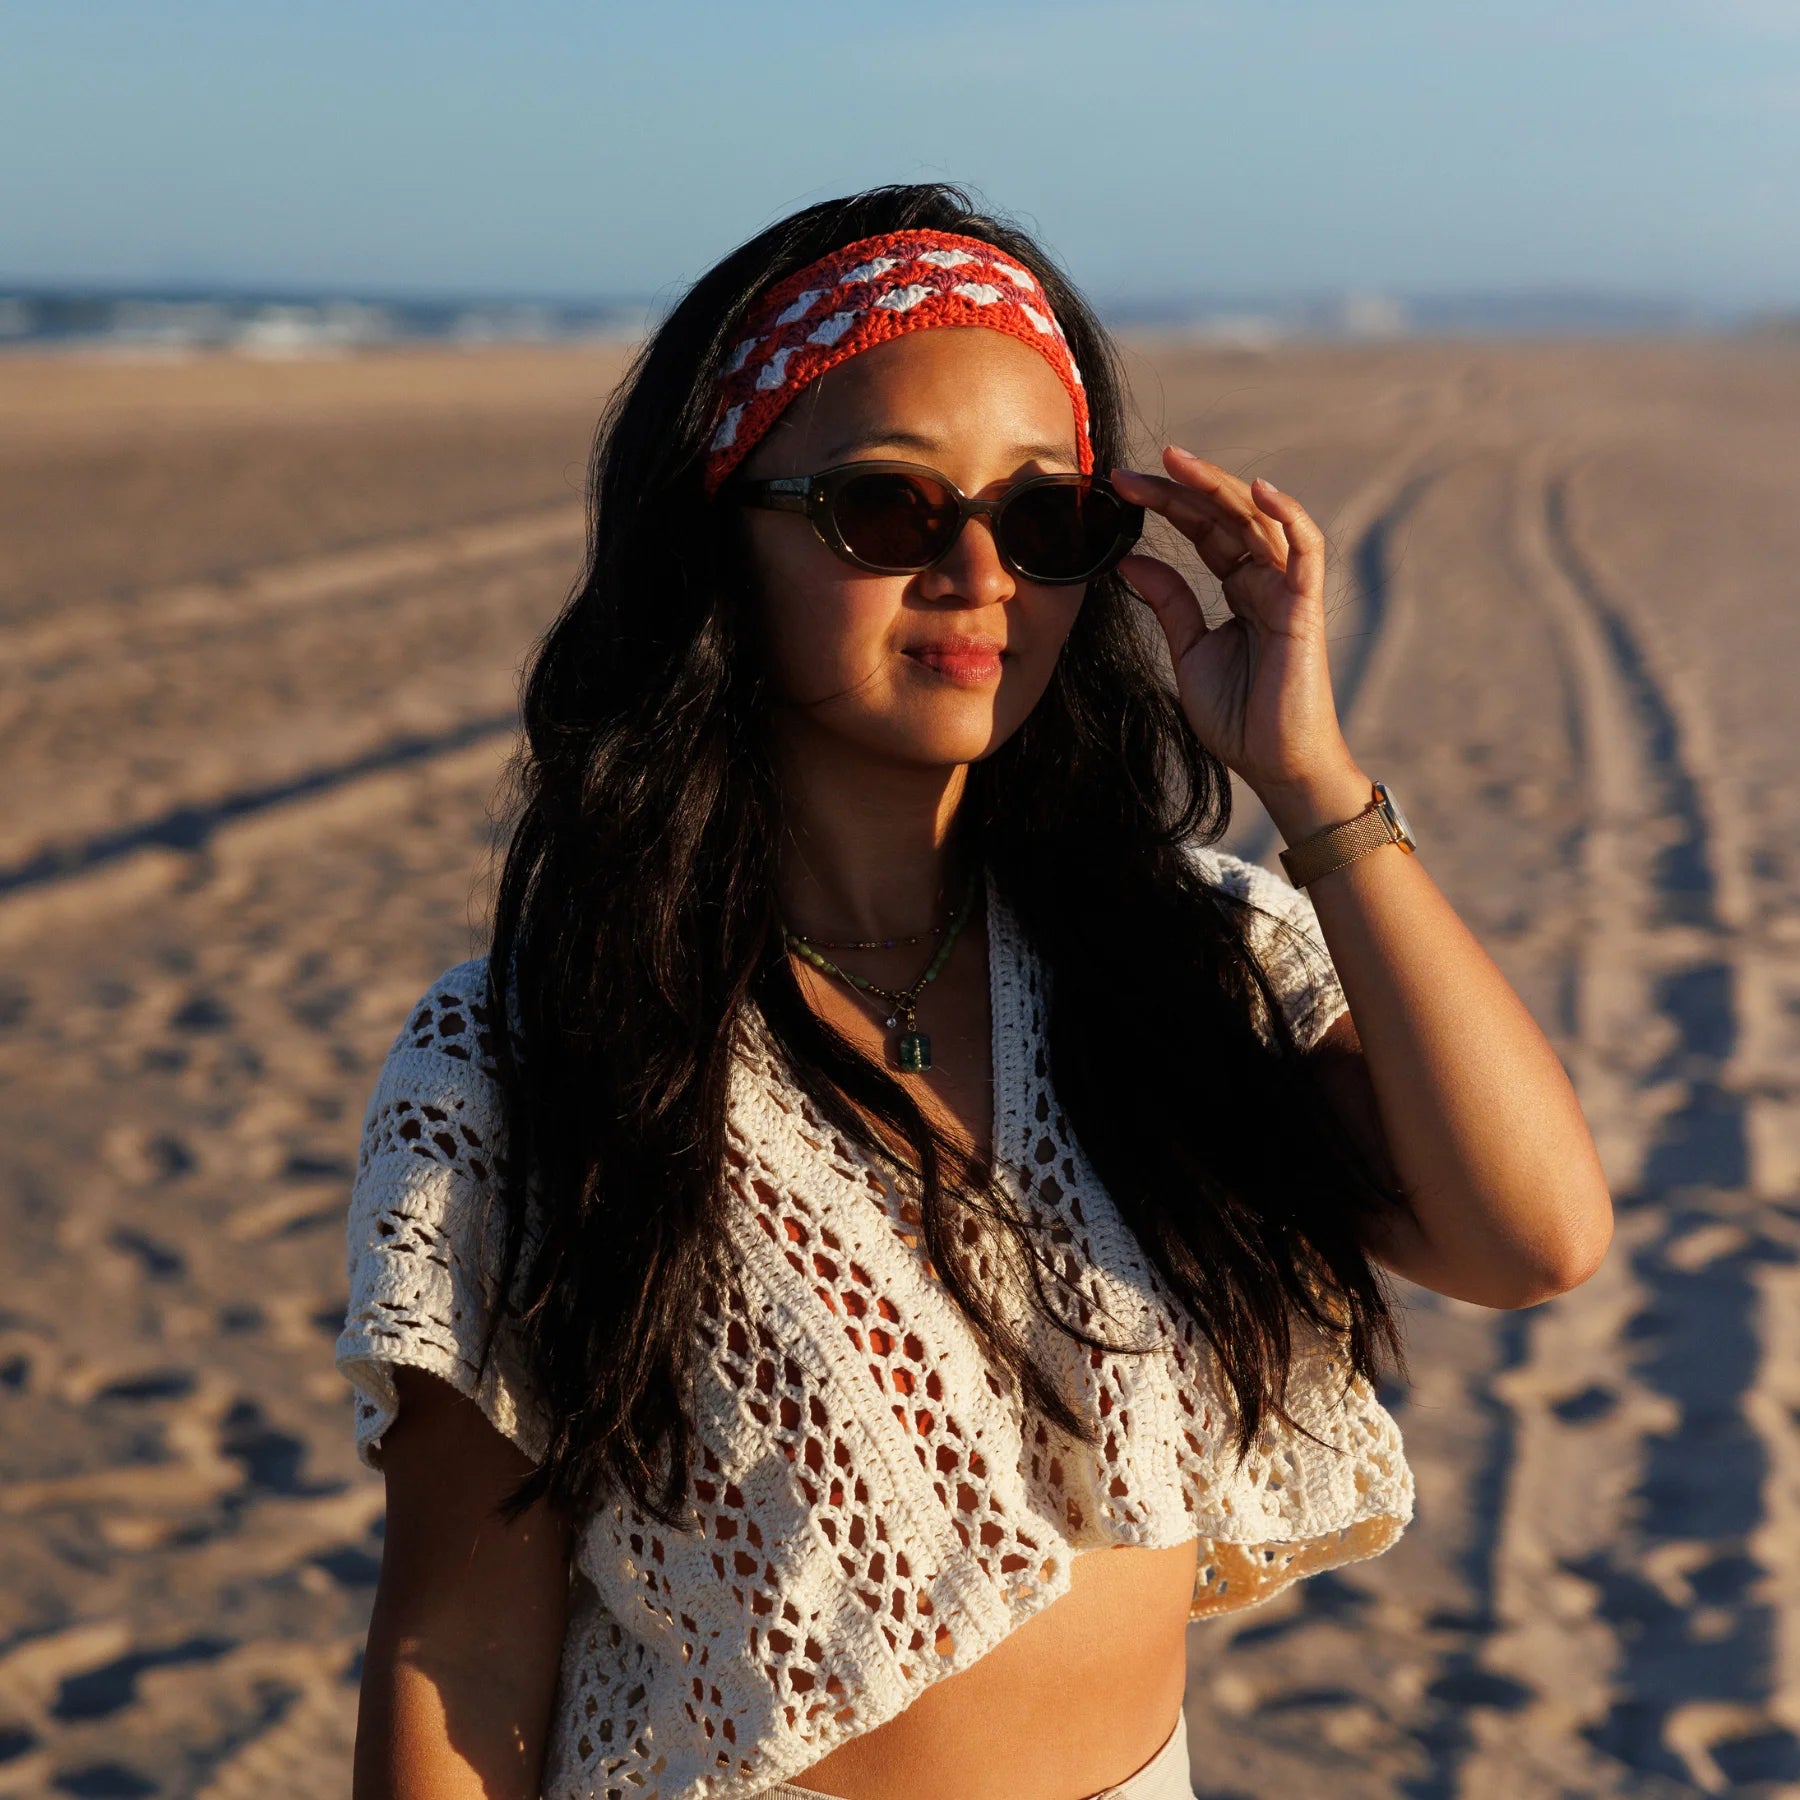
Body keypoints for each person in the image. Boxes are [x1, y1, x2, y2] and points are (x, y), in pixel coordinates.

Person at [335, 183, 1613, 1800]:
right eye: (886, 510)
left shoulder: (1178, 965)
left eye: (1049, 517)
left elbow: (1530, 1234)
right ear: (719, 537)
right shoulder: (531, 1050)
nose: (980, 572)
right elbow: (463, 1643)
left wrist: (1312, 780)